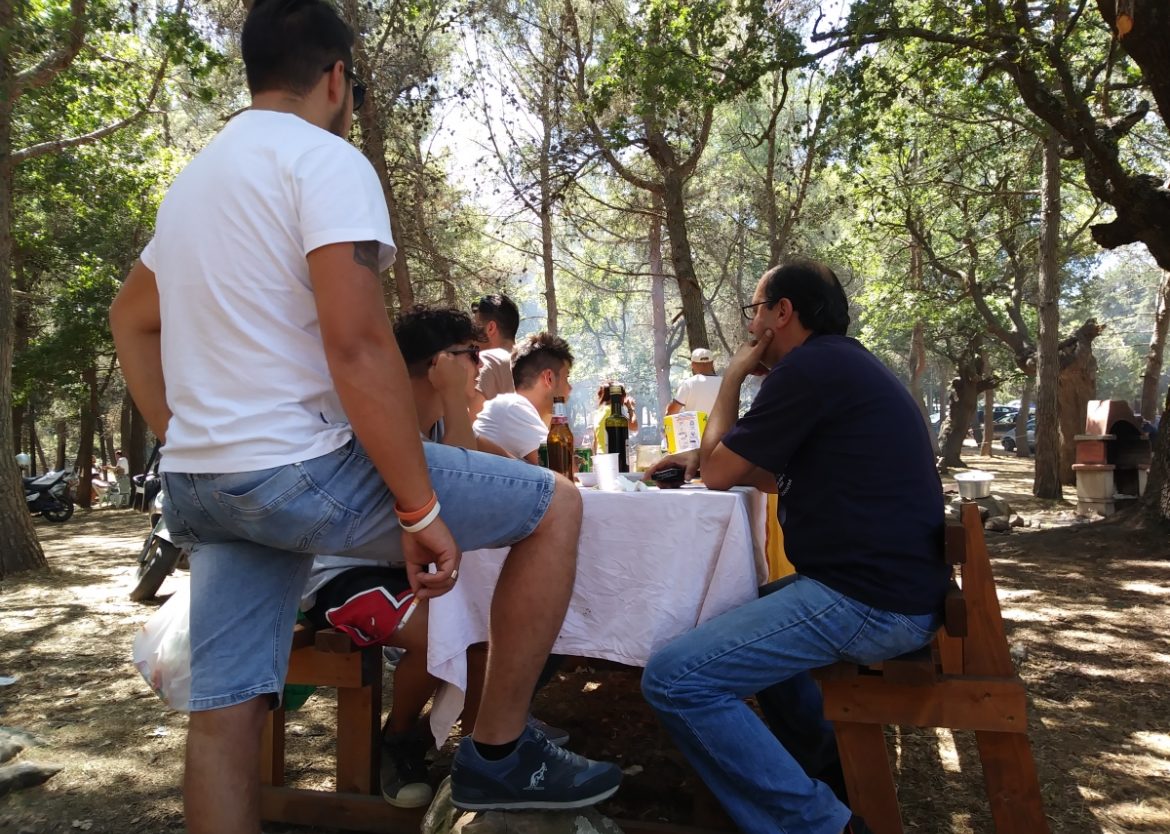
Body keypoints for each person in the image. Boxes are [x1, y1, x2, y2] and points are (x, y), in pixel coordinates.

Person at [108, 3, 619, 830]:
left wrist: (181, 434)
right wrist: (418, 508)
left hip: (204, 484)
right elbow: (358, 347)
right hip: (296, 468)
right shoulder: (325, 161)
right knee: (555, 507)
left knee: (226, 714)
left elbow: (129, 318)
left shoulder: (196, 180)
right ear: (338, 77)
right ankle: (498, 753)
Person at [642, 260, 950, 834]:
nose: (751, 323)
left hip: (871, 601)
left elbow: (717, 475)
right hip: (891, 586)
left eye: (754, 310)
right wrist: (700, 457)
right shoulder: (840, 364)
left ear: (782, 313)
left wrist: (731, 378)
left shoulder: (808, 370)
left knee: (675, 679)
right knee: (742, 605)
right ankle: (825, 772)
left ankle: (820, 824)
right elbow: (756, 473)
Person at [302, 306, 564, 808]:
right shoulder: (379, 416)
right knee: (449, 631)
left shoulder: (442, 426)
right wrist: (452, 397)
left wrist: (455, 407)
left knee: (503, 624)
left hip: (410, 570)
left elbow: (497, 477)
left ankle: (467, 742)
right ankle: (398, 740)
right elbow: (463, 497)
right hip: (342, 576)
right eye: (472, 356)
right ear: (438, 363)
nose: (482, 369)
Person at [473, 332, 574, 461]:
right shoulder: (514, 407)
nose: (570, 388)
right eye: (566, 377)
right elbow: (561, 468)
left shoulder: (516, 409)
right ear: (549, 378)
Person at [470, 293, 520, 417]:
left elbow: (471, 425)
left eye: (475, 327)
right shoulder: (533, 363)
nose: (471, 336)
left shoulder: (487, 361)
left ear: (491, 328)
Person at [666, 348, 722, 417]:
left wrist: (668, 408)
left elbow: (672, 412)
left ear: (693, 364)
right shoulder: (724, 383)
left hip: (697, 427)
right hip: (721, 427)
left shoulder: (688, 384)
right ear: (712, 363)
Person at [593, 382, 639, 453]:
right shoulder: (613, 411)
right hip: (612, 457)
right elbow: (634, 426)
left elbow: (595, 441)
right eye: (624, 396)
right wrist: (631, 408)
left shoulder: (598, 412)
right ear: (619, 396)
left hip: (600, 456)